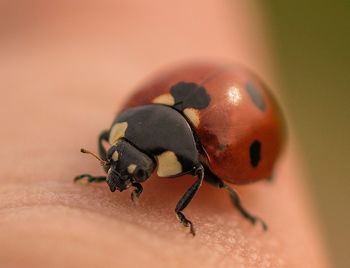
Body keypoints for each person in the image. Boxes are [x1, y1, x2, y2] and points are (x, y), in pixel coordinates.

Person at [0, 1, 329, 267]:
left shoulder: (195, 151)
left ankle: (196, 212)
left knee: (218, 181)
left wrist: (180, 208)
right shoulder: (130, 121)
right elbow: (108, 136)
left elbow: (199, 171)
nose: (119, 176)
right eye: (118, 161)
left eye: (132, 171)